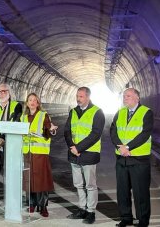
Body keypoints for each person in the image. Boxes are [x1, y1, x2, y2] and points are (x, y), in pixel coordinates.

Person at [110, 88, 153, 227]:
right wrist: (119, 147)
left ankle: (143, 221)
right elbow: (113, 130)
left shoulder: (146, 112)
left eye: (128, 96)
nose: (125, 98)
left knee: (141, 192)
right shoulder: (120, 112)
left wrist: (127, 147)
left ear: (137, 98)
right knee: (122, 191)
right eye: (124, 96)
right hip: (122, 159)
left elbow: (144, 134)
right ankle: (126, 218)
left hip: (139, 159)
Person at [64, 87, 105, 224]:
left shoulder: (97, 112)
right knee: (78, 184)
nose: (78, 98)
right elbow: (67, 131)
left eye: (81, 96)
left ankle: (91, 212)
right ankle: (82, 209)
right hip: (74, 153)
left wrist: (79, 147)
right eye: (77, 96)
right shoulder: (73, 111)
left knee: (90, 185)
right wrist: (72, 146)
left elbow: (96, 134)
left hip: (89, 153)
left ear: (88, 97)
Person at [21, 93, 58, 217]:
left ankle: (43, 206)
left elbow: (48, 130)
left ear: (38, 103)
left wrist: (52, 130)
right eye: (30, 100)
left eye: (34, 100)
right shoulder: (22, 117)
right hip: (27, 153)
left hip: (40, 154)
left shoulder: (43, 115)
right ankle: (31, 204)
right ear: (27, 103)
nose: (32, 102)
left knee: (41, 180)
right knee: (29, 180)